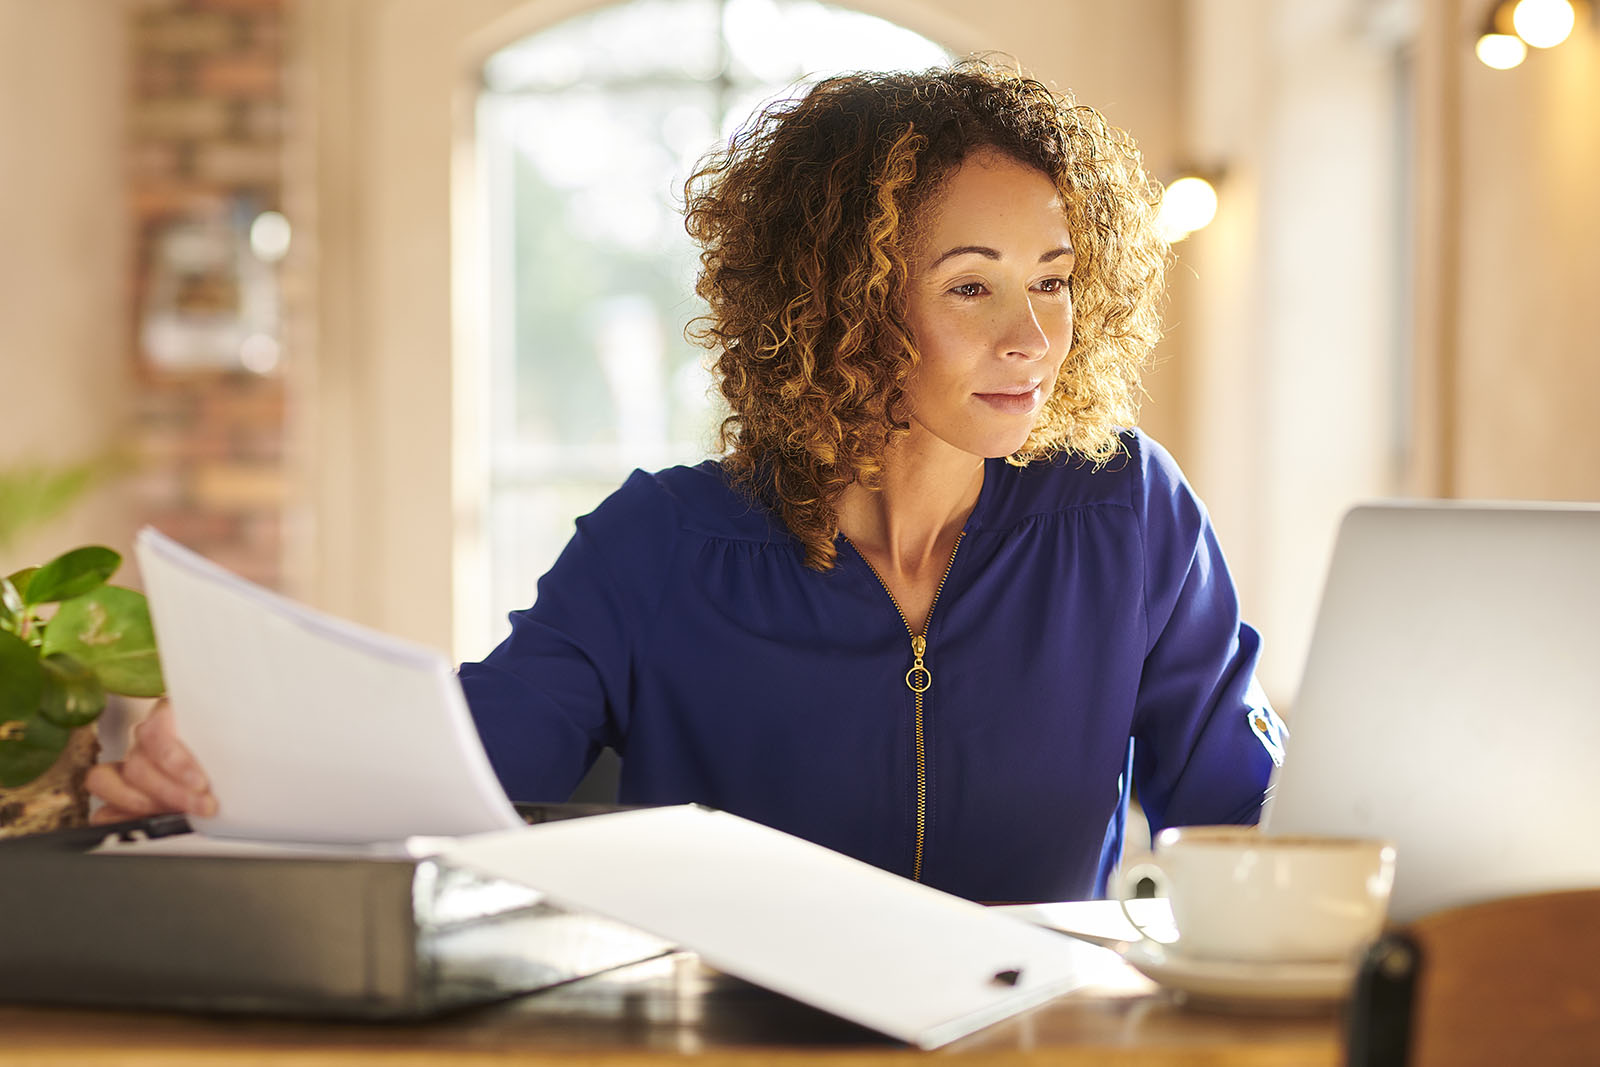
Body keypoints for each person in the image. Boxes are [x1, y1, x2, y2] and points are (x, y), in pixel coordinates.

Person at [87, 61, 1286, 904]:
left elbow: (1249, 806)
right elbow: (462, 768)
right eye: (970, 285)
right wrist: (219, 767)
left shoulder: (1124, 512)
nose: (1033, 335)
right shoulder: (657, 546)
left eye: (1057, 279)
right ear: (844, 302)